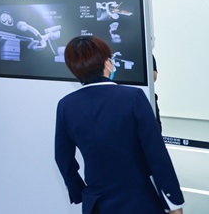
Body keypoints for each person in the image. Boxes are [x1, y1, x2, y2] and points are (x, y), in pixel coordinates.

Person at [55, 36, 184, 214]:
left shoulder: (66, 105)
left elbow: (63, 158)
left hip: (96, 204)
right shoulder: (133, 97)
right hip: (139, 201)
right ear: (107, 62)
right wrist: (174, 203)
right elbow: (156, 154)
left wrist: (81, 192)